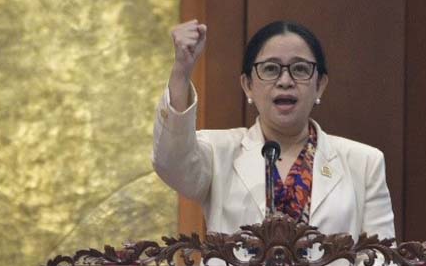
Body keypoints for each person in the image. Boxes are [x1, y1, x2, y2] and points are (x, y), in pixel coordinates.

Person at [152, 19, 396, 240]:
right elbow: (171, 163)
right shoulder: (218, 152)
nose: (285, 81)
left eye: (300, 69)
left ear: (320, 85)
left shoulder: (364, 163)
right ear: (248, 85)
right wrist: (181, 71)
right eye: (270, 69)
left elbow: (381, 260)